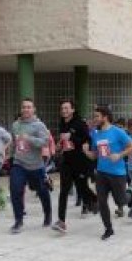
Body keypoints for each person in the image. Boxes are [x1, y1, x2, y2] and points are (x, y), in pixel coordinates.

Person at [82, 106, 132, 240]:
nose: (94, 119)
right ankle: (108, 228)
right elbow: (95, 155)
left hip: (117, 173)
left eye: (97, 116)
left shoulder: (117, 132)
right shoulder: (96, 133)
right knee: (102, 202)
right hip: (101, 173)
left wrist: (119, 155)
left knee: (121, 201)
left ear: (105, 117)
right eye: (94, 116)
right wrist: (86, 151)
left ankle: (130, 194)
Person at [9, 98, 52, 234]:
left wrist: (29, 139)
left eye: (29, 107)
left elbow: (45, 142)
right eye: (24, 107)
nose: (26, 109)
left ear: (33, 110)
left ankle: (48, 213)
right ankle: (18, 220)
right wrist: (9, 155)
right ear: (21, 109)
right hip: (19, 163)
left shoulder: (39, 125)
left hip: (35, 166)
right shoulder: (15, 125)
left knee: (42, 191)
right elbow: (15, 143)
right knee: (15, 190)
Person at [52, 99, 95, 234]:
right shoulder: (62, 123)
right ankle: (61, 221)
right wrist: (59, 145)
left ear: (72, 110)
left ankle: (96, 202)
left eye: (66, 108)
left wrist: (73, 137)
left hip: (80, 162)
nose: (64, 111)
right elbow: (64, 141)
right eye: (62, 108)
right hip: (66, 162)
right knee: (63, 191)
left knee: (82, 189)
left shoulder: (80, 123)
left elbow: (88, 140)